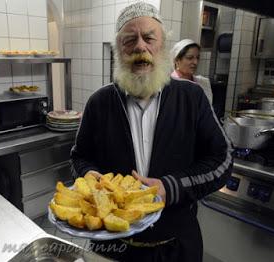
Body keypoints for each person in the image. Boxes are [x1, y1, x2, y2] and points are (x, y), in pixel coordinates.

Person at [70, 2, 233, 261]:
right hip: (113, 250)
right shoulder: (99, 103)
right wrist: (90, 176)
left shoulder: (192, 98)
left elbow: (222, 160)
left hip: (177, 247)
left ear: (163, 47)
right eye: (129, 40)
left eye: (148, 37)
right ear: (118, 50)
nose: (139, 47)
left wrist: (171, 187)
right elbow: (80, 156)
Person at [170, 39, 213, 104]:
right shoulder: (168, 85)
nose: (196, 62)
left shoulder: (203, 83)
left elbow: (209, 110)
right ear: (177, 60)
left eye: (197, 58)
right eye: (190, 58)